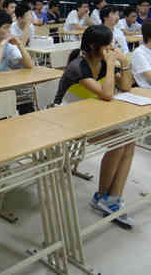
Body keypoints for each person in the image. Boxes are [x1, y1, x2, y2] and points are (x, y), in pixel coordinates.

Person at [53, 25, 135, 228]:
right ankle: (102, 196)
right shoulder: (78, 66)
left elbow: (126, 86)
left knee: (129, 139)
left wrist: (124, 63)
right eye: (107, 46)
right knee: (119, 141)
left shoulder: (103, 63)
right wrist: (111, 64)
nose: (111, 49)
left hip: (87, 114)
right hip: (64, 119)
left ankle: (112, 197)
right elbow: (107, 94)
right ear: (92, 46)